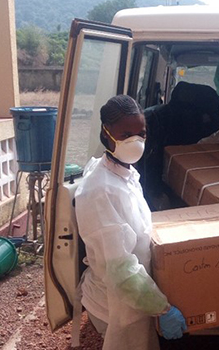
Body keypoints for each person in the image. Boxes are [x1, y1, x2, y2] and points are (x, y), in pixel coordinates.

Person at [74, 95, 187, 350]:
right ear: (105, 135)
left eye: (141, 134)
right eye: (125, 134)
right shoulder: (99, 190)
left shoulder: (123, 173)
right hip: (117, 303)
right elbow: (120, 270)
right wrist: (162, 308)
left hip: (136, 297)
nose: (135, 142)